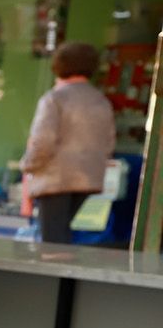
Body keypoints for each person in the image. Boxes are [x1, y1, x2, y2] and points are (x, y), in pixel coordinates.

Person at [20, 41, 115, 245]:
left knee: (53, 241)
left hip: (55, 178)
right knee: (63, 235)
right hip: (88, 179)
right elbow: (108, 143)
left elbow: (42, 141)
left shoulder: (55, 99)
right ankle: (65, 276)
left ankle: (56, 277)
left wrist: (27, 165)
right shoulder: (101, 101)